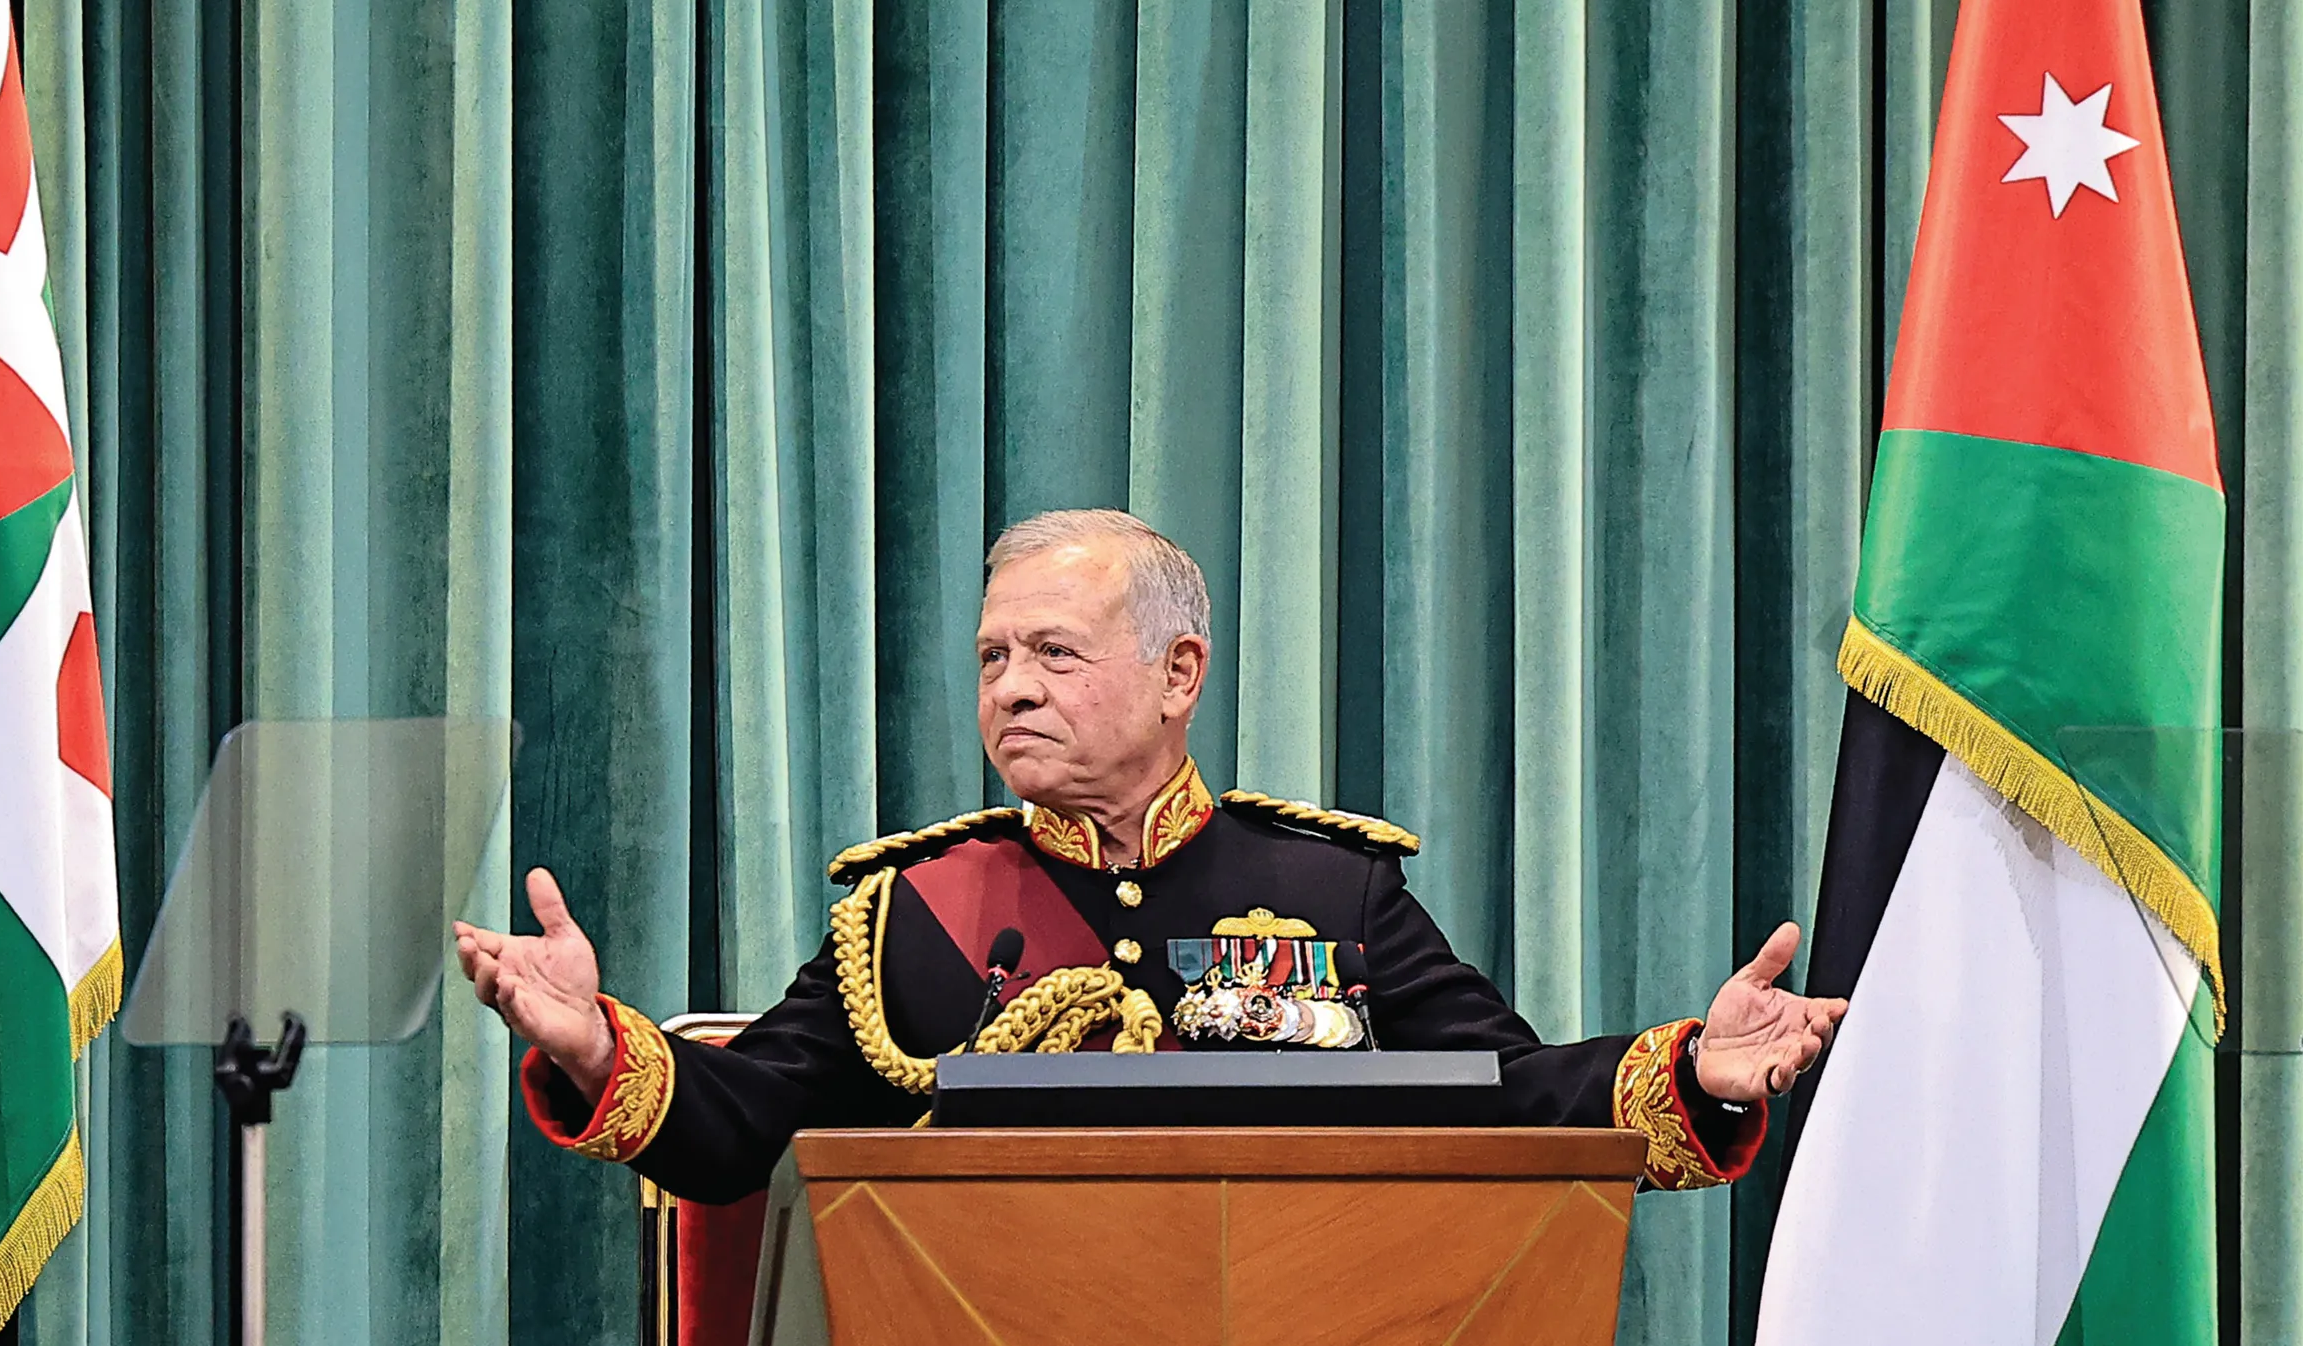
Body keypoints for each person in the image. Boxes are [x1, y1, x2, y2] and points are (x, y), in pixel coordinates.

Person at [456, 509, 1844, 1203]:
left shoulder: (1326, 892)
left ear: (1180, 674)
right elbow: (737, 1127)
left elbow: (1505, 1097)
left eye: (1054, 653)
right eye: (992, 657)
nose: (1010, 688)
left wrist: (1693, 1071)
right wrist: (589, 1043)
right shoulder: (917, 915)